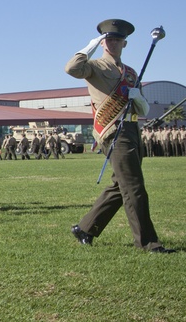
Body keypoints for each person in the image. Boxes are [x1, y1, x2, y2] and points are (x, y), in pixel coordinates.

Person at [66, 19, 173, 253]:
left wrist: (139, 99)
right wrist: (90, 45)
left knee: (120, 185)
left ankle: (85, 228)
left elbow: (142, 109)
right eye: (108, 39)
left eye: (117, 40)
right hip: (113, 131)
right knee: (134, 186)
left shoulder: (131, 72)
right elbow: (72, 68)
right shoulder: (94, 66)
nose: (112, 43)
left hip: (133, 130)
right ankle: (148, 243)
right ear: (103, 42)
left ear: (125, 43)